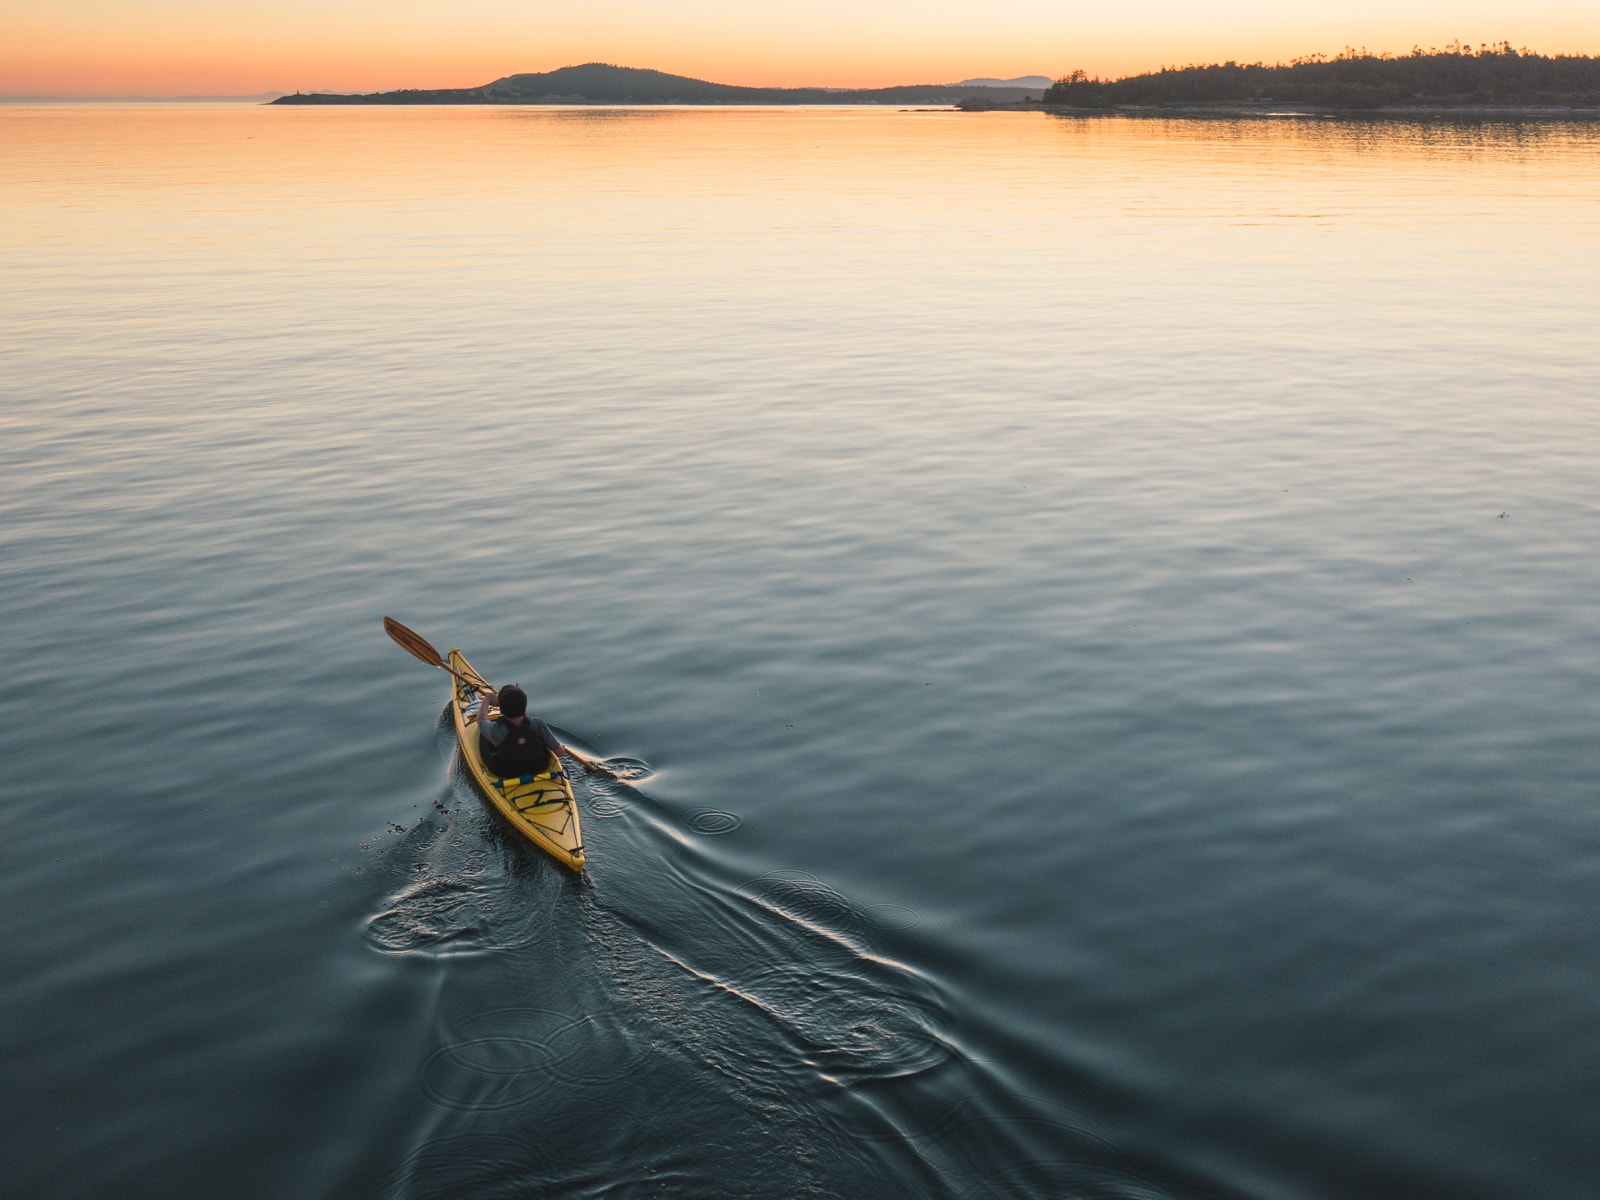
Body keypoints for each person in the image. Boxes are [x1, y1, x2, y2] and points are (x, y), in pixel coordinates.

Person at [475, 683, 607, 778]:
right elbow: (560, 753)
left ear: (501, 710)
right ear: (525, 706)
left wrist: (487, 699)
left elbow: (481, 719)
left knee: (483, 739)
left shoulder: (496, 730)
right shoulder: (537, 724)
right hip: (539, 768)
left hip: (507, 773)